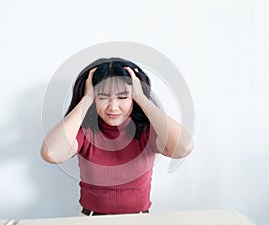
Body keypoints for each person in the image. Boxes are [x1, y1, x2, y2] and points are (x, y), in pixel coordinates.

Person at [40, 57, 194, 216]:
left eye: (122, 97)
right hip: (92, 219)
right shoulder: (85, 132)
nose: (113, 107)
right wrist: (86, 100)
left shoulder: (148, 132)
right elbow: (51, 153)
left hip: (139, 219)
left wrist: (142, 98)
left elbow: (183, 147)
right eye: (103, 97)